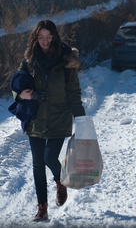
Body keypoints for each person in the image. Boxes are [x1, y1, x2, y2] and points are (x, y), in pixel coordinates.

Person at [11, 20, 86, 222]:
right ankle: (42, 208)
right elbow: (17, 82)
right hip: (35, 117)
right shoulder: (29, 60)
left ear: (54, 37)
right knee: (37, 164)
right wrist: (20, 96)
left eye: (49, 36)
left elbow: (73, 92)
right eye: (41, 37)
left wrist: (82, 119)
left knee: (49, 158)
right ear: (36, 38)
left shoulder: (66, 61)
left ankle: (60, 181)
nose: (45, 41)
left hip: (59, 117)